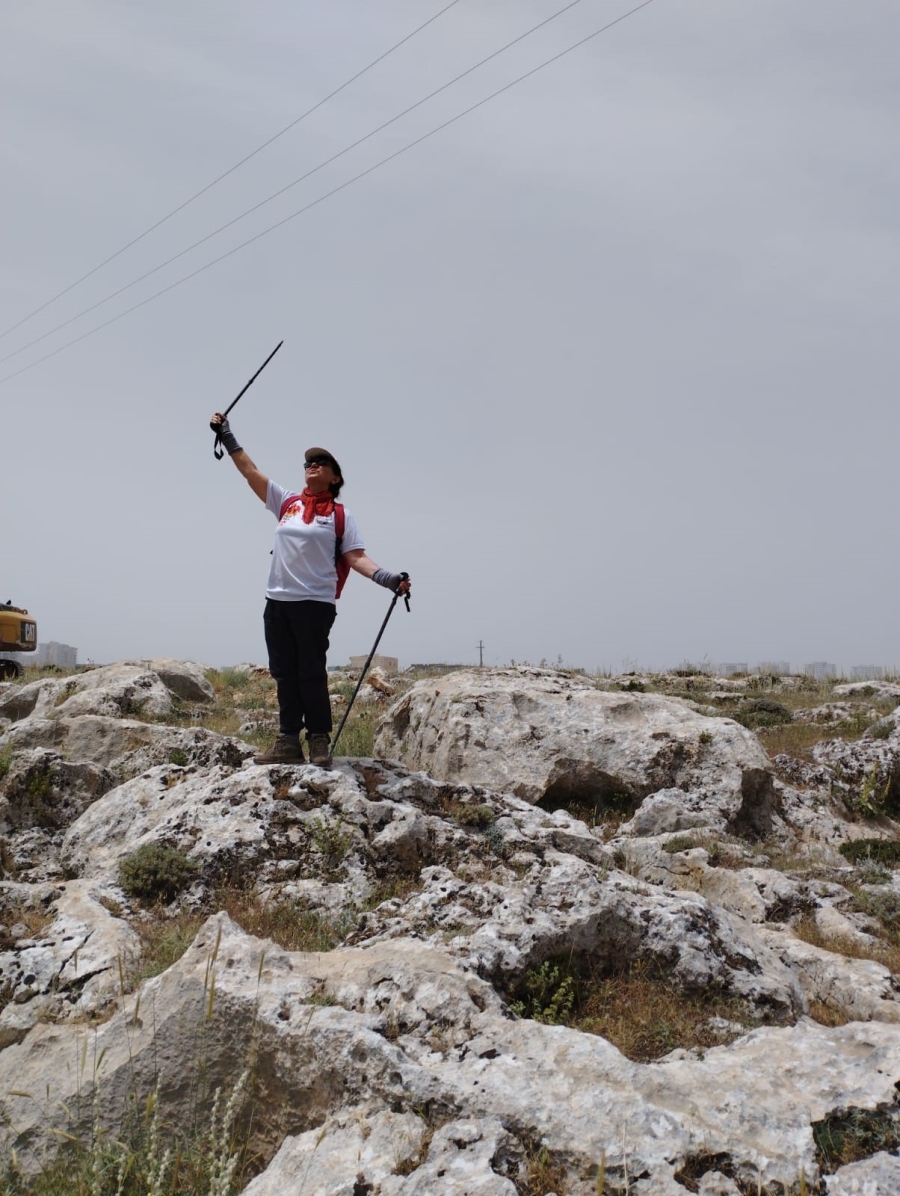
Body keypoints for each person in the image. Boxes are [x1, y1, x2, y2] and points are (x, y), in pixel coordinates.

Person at [209, 412, 410, 768]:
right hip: (278, 601)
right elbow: (249, 471)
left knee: (311, 673)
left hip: (315, 604)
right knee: (283, 672)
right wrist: (226, 435)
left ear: (335, 477)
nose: (312, 466)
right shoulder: (287, 503)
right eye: (308, 463)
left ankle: (319, 740)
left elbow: (356, 557)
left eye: (321, 463)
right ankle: (287, 740)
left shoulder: (340, 515)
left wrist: (389, 579)